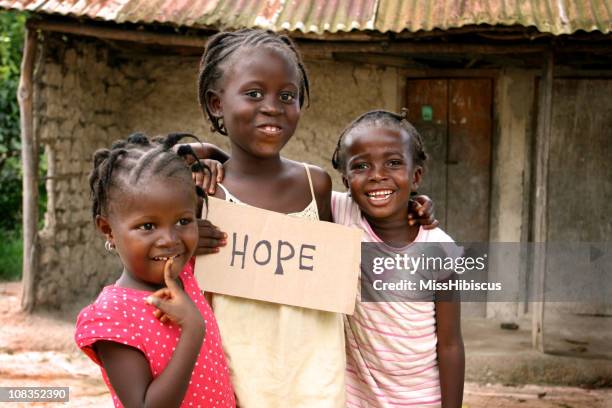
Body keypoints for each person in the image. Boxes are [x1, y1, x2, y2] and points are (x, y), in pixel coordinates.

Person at [181, 28, 438, 407]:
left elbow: (366, 220)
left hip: (318, 377)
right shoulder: (205, 193)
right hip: (242, 375)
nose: (272, 106)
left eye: (288, 96)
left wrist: (414, 204)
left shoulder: (314, 184)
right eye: (254, 94)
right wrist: (185, 226)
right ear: (217, 103)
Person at [74, 133, 236, 408]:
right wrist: (192, 330)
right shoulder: (112, 315)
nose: (170, 239)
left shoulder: (188, 274)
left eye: (183, 221)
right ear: (108, 230)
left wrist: (212, 158)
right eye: (148, 226)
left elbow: (246, 179)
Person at [331, 109, 465, 408]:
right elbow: (274, 174)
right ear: (346, 181)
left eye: (393, 163)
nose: (377, 175)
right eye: (361, 166)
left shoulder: (441, 249)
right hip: (356, 399)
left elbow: (451, 343)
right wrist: (207, 154)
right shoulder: (341, 213)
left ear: (416, 176)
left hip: (421, 400)